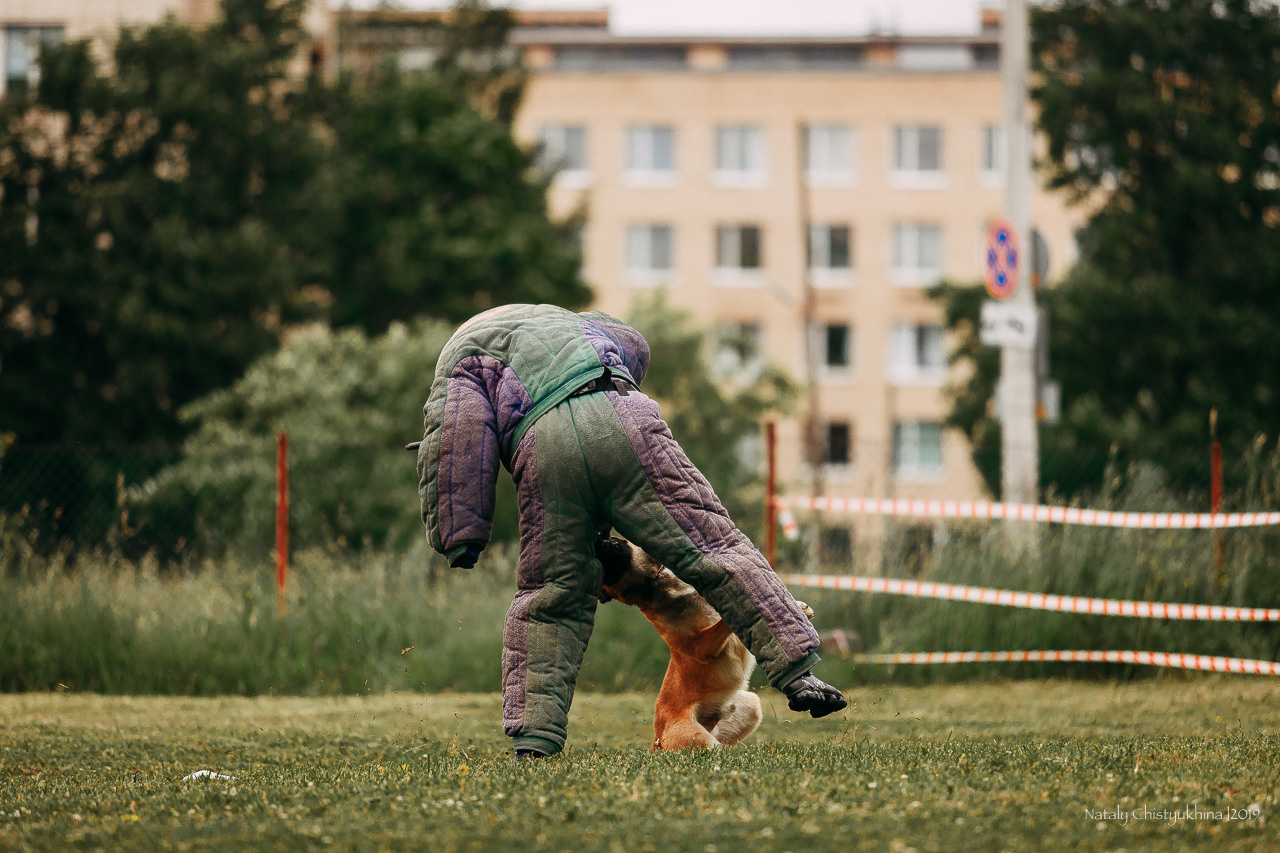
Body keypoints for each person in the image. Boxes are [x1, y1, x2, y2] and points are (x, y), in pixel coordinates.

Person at [413, 304, 847, 758]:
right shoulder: (575, 323)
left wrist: (459, 535)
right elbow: (633, 345)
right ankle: (799, 673)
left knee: (550, 596)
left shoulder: (460, 356)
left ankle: (534, 741)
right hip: (625, 416)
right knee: (716, 546)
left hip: (543, 446)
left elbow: (455, 441)